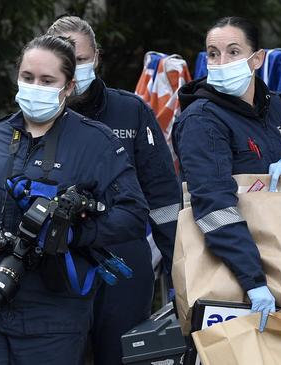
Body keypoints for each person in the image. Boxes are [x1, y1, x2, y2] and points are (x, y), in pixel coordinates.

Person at [0, 34, 148, 364]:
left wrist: (73, 233)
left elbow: (134, 214)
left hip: (53, 313)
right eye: (27, 77)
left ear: (67, 87)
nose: (35, 86)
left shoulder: (96, 143)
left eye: (47, 80)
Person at [46, 16, 181, 365]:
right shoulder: (34, 117)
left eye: (81, 58)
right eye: (64, 58)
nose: (74, 69)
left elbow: (164, 198)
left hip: (124, 263)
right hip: (57, 261)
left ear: (97, 57)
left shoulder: (130, 111)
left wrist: (179, 273)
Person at [172, 16, 281, 332]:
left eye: (233, 52)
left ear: (258, 58)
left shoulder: (275, 106)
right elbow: (214, 205)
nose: (221, 62)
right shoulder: (202, 121)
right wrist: (253, 281)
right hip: (236, 269)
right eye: (213, 53)